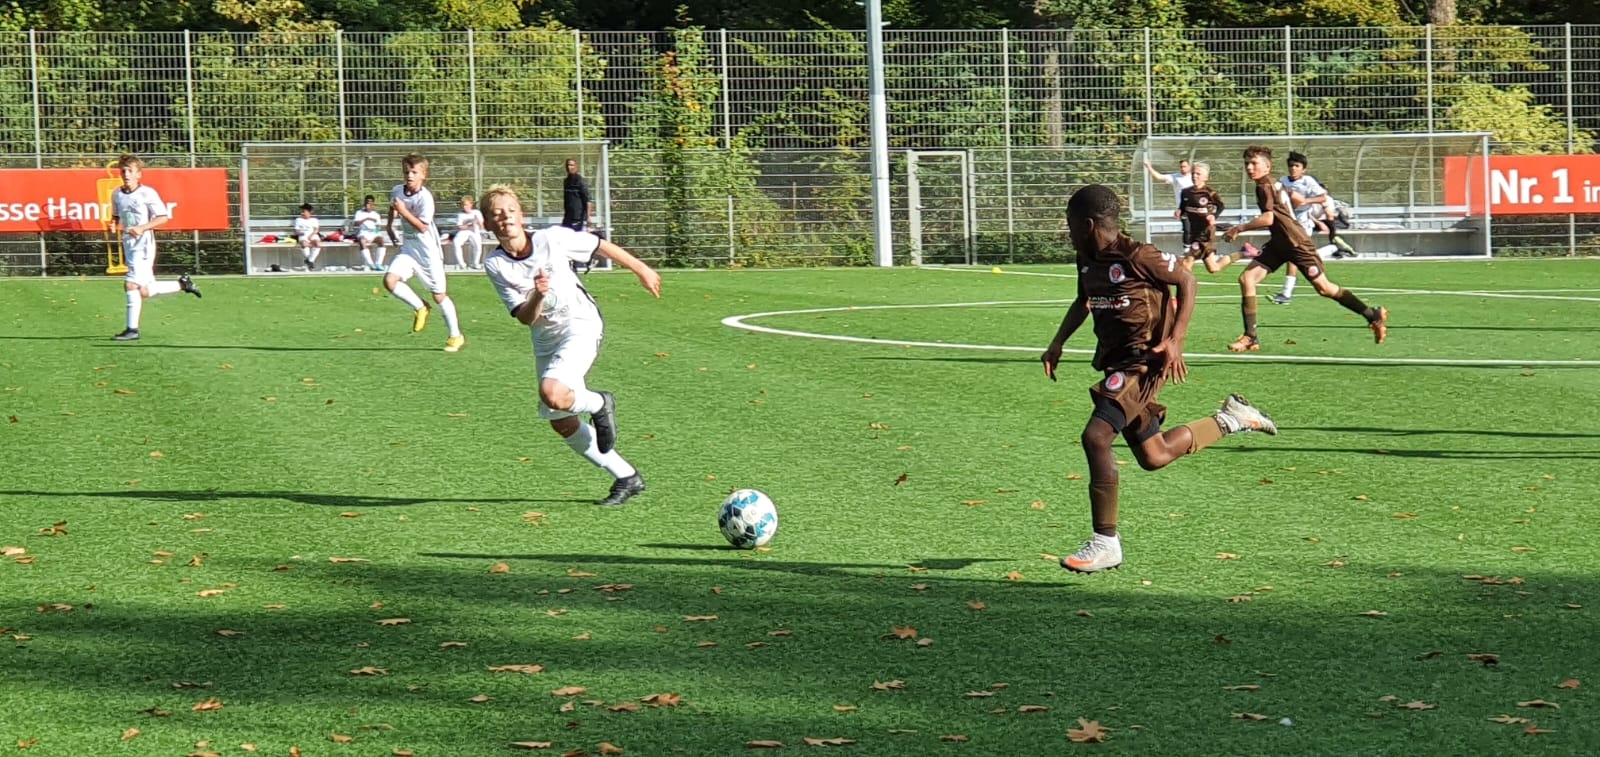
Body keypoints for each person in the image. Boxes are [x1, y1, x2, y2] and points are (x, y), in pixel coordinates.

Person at [1041, 184, 1278, 574]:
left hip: (1143, 362)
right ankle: (1232, 419)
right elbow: (1083, 300)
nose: (1067, 232)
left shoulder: (1138, 255)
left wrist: (1175, 341)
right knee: (1155, 456)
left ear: (1087, 224)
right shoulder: (1087, 258)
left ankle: (1105, 542)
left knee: (1096, 437)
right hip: (1116, 361)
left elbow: (1188, 281)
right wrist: (1057, 343)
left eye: (1070, 224)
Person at [479, 184, 662, 507]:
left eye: (510, 211)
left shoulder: (551, 239)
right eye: (497, 214)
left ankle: (599, 403)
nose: (505, 218)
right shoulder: (496, 264)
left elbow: (599, 245)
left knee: (552, 392)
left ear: (522, 216)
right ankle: (627, 476)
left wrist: (641, 269)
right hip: (545, 338)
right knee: (561, 421)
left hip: (580, 324)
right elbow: (526, 318)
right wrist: (538, 294)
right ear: (487, 224)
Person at [1222, 145, 1388, 352]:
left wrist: (1239, 228)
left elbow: (1269, 217)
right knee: (1247, 279)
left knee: (1324, 288)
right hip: (1279, 243)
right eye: (1247, 163)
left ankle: (1372, 315)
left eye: (1254, 163)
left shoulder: (1265, 186)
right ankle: (1250, 337)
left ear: (1267, 166)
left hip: (1297, 244)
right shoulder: (1271, 183)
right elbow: (1288, 204)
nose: (1249, 167)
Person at [109, 153, 201, 341]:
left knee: (130, 284)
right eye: (124, 171)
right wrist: (113, 223)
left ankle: (132, 330)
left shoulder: (147, 193)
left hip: (144, 244)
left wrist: (142, 227)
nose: (126, 175)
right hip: (128, 243)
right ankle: (183, 284)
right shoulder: (117, 194)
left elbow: (163, 217)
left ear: (138, 174)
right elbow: (117, 216)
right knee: (144, 290)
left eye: (130, 171)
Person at [384, 153, 466, 353]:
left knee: (439, 296)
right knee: (390, 281)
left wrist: (403, 211)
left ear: (423, 175)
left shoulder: (425, 198)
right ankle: (420, 307)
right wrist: (389, 226)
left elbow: (422, 227)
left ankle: (455, 335)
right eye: (406, 172)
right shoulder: (397, 190)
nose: (409, 176)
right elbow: (393, 206)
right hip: (409, 249)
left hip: (428, 252)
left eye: (414, 172)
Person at [1270, 152, 1359, 305]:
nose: (1293, 168)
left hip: (1303, 224)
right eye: (1291, 166)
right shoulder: (1283, 181)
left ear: (1303, 169)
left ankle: (1286, 294)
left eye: (1297, 166)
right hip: (1289, 223)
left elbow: (1323, 197)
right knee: (1300, 257)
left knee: (1293, 257)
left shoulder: (1308, 181)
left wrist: (1305, 201)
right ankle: (1332, 248)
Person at [1177, 162, 1258, 275]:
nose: (1194, 176)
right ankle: (1244, 252)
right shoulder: (1185, 192)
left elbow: (1221, 206)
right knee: (1213, 268)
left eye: (1198, 174)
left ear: (1206, 178)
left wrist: (1213, 216)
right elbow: (1183, 207)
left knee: (1187, 263)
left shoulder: (1209, 193)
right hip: (1193, 232)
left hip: (1205, 233)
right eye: (1193, 173)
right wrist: (1179, 211)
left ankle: (1184, 286)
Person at [351, 195, 387, 272]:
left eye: (370, 203)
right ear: (364, 203)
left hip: (373, 233)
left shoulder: (376, 214)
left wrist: (377, 232)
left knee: (381, 240)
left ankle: (379, 263)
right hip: (364, 232)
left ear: (373, 204)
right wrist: (367, 218)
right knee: (362, 240)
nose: (368, 205)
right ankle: (370, 264)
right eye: (367, 203)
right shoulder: (359, 213)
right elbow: (356, 224)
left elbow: (378, 227)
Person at [452, 195, 486, 270]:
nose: (465, 207)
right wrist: (470, 226)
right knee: (456, 243)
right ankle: (461, 264)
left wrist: (478, 222)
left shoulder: (477, 212)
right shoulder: (460, 214)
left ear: (471, 205)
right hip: (463, 232)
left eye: (467, 205)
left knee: (478, 246)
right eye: (464, 205)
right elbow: (460, 227)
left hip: (475, 232)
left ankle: (475, 263)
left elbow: (482, 226)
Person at [562, 158, 593, 232]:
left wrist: (589, 217)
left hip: (577, 217)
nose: (569, 167)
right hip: (567, 217)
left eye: (572, 165)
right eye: (568, 165)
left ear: (576, 167)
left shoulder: (580, 181)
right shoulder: (566, 181)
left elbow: (588, 200)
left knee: (575, 235)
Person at [293, 203, 322, 270]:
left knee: (317, 244)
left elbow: (316, 230)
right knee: (304, 244)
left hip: (313, 234)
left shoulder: (314, 220)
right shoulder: (298, 220)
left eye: (304, 211)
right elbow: (296, 230)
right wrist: (300, 233)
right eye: (302, 211)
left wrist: (310, 236)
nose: (302, 213)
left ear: (309, 212)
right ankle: (310, 261)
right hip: (303, 235)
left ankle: (309, 261)